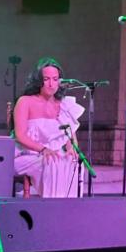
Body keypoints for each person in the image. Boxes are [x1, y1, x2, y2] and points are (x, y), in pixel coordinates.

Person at [13, 58, 84, 197]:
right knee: (53, 163)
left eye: (55, 79)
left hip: (53, 153)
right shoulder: (25, 101)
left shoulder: (63, 104)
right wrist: (44, 149)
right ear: (38, 80)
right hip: (27, 154)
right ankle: (53, 210)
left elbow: (69, 133)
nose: (51, 84)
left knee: (74, 163)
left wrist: (71, 149)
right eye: (46, 79)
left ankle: (71, 209)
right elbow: (20, 135)